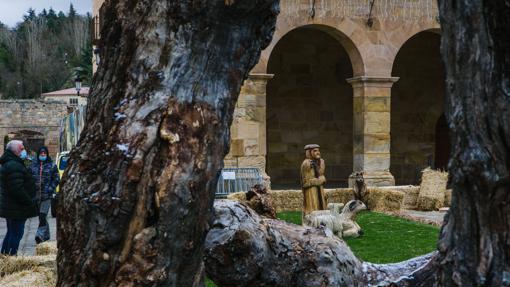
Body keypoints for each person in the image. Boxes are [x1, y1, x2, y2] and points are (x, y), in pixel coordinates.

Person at [0, 140, 38, 255]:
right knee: (16, 234)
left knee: (11, 232)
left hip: (12, 206)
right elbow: (17, 189)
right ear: (15, 150)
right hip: (16, 207)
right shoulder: (13, 165)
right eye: (22, 149)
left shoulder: (13, 162)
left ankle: (5, 257)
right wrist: (29, 202)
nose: (24, 151)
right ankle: (10, 257)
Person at [29, 146, 59, 244]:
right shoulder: (32, 166)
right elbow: (28, 179)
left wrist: (50, 189)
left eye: (44, 154)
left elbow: (56, 179)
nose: (43, 155)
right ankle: (46, 236)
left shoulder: (52, 166)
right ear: (38, 154)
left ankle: (39, 236)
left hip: (46, 196)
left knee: (42, 216)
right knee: (41, 217)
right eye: (41, 154)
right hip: (36, 196)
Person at [301, 144, 327, 217]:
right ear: (309, 152)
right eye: (315, 151)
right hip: (311, 191)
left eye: (318, 150)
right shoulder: (307, 163)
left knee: (321, 209)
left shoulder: (317, 162)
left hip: (318, 189)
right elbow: (305, 182)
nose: (318, 152)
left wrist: (321, 164)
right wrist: (320, 180)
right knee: (313, 211)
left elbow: (320, 173)